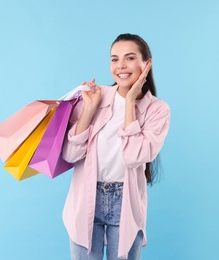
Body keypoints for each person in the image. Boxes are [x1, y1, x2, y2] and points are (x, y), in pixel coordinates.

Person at [62, 33, 171, 260]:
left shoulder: (158, 110)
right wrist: (89, 109)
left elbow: (133, 156)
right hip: (86, 197)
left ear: (146, 64)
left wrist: (130, 102)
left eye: (129, 58)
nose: (120, 66)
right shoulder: (95, 96)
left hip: (126, 203)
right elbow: (71, 155)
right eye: (114, 59)